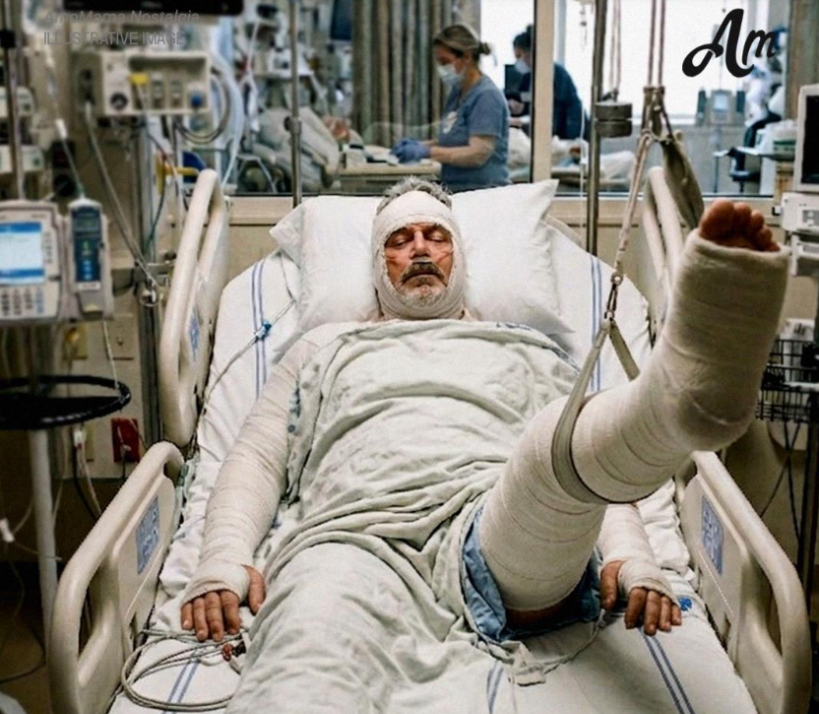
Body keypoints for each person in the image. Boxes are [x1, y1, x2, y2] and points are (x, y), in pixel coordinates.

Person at [180, 178, 785, 651]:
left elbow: (581, 463)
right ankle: (676, 408)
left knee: (558, 454)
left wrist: (633, 559)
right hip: (352, 537)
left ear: (459, 258)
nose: (420, 249)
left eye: (436, 237)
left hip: (497, 537)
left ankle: (672, 407)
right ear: (378, 265)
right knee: (301, 658)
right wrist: (223, 560)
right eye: (399, 240)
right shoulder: (320, 347)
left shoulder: (523, 346)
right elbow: (255, 460)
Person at [390, 24, 510, 192]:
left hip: (483, 192)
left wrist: (427, 151)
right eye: (439, 62)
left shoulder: (486, 96)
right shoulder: (458, 93)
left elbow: (478, 154)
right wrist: (419, 144)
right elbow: (454, 139)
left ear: (467, 56)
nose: (441, 69)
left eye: (445, 62)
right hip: (458, 189)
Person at [507, 26, 588, 142]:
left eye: (519, 56)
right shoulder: (528, 77)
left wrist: (564, 141)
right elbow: (527, 98)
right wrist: (519, 108)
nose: (518, 62)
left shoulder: (557, 74)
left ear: (531, 52)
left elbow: (558, 108)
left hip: (566, 131)